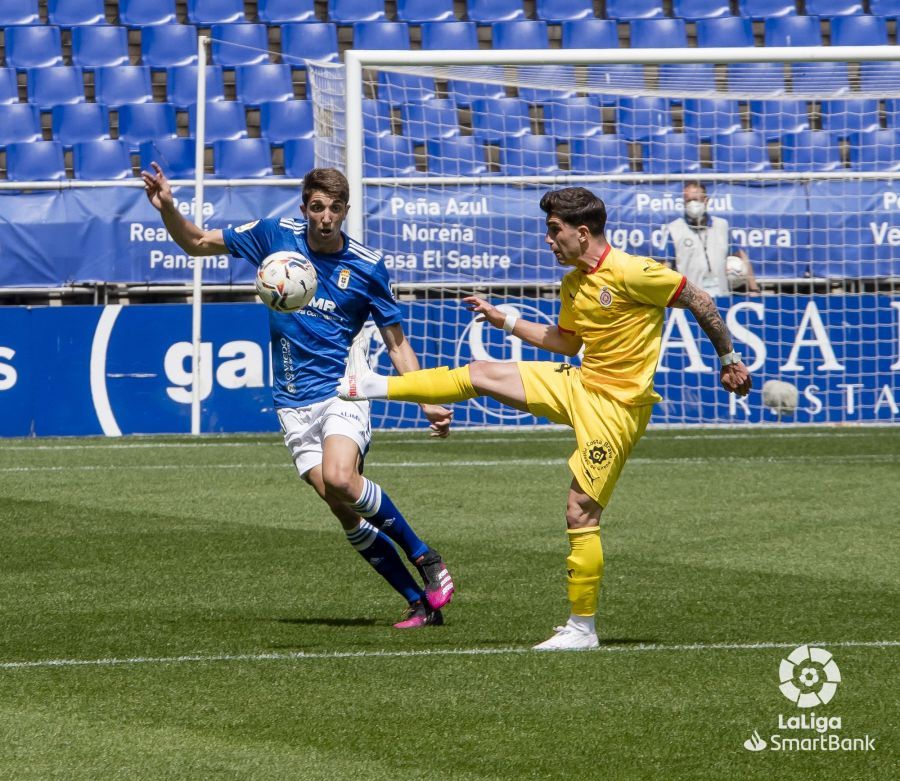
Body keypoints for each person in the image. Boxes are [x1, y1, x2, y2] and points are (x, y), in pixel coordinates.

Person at [339, 187, 752, 650]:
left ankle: (582, 629)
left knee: (580, 512)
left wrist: (728, 359)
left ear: (582, 232)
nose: (548, 241)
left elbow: (701, 301)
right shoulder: (575, 283)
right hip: (580, 382)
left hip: (616, 410)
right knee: (482, 372)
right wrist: (505, 321)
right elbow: (567, 343)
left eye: (554, 231)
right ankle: (367, 386)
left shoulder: (634, 271)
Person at [141, 164, 455, 629]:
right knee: (341, 507)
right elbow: (197, 242)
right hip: (292, 401)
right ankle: (419, 603)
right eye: (317, 207)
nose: (325, 217)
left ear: (345, 210)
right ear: (304, 207)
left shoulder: (367, 266)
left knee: (342, 478)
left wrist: (423, 395)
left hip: (342, 389)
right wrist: (168, 207)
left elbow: (396, 342)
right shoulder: (275, 236)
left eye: (334, 208)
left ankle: (427, 557)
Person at [667, 181, 760, 296]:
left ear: (706, 201)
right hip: (691, 301)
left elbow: (741, 256)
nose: (692, 204)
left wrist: (754, 289)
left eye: (696, 199)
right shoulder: (675, 229)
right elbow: (666, 265)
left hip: (721, 296)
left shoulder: (721, 226)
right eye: (688, 200)